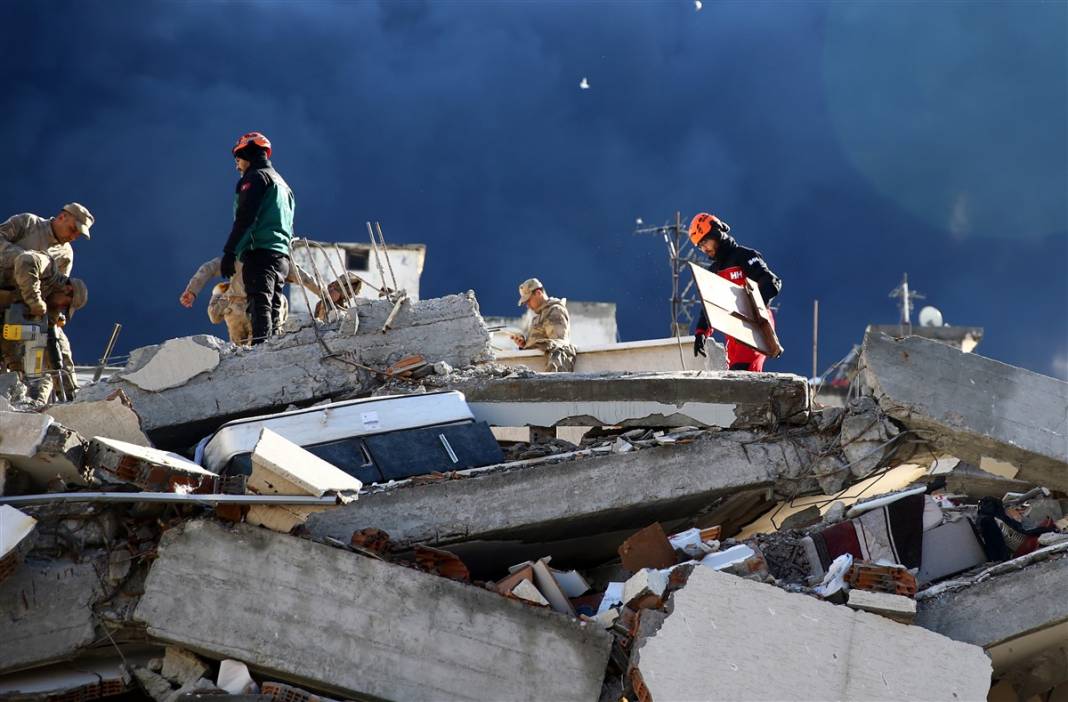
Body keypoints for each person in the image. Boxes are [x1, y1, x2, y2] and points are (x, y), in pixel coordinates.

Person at [219, 132, 294, 345]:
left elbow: (246, 218)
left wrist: (230, 251)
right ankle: (273, 347)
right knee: (274, 304)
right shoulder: (283, 185)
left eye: (238, 159)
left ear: (248, 154)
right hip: (281, 256)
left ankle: (262, 351)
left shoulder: (255, 178)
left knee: (259, 303)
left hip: (259, 251)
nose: (237, 166)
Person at [690, 212, 782, 372]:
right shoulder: (714, 271)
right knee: (739, 381)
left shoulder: (743, 256)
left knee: (742, 372)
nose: (704, 248)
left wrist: (754, 309)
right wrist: (701, 333)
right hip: (733, 334)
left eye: (705, 241)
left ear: (716, 234)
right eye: (700, 246)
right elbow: (709, 306)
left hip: (755, 331)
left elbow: (771, 282)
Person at [180, 256, 322, 344]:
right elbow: (305, 279)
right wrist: (326, 295)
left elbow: (208, 268)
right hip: (264, 308)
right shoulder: (279, 259)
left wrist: (192, 290)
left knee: (241, 353)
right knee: (265, 343)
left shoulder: (237, 257)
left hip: (236, 310)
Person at [0, 266, 88, 406]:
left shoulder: (48, 311)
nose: (61, 309)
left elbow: (55, 348)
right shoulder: (44, 276)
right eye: (65, 305)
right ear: (67, 290)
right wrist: (35, 302)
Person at [0, 202, 92, 279]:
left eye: (77, 235)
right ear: (62, 217)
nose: (73, 238)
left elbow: (56, 290)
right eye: (72, 229)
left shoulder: (65, 256)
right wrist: (25, 259)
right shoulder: (29, 222)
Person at [512, 277, 577, 372]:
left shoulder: (555, 311)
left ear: (538, 293)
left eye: (528, 300)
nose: (528, 305)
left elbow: (558, 345)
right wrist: (524, 344)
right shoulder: (538, 317)